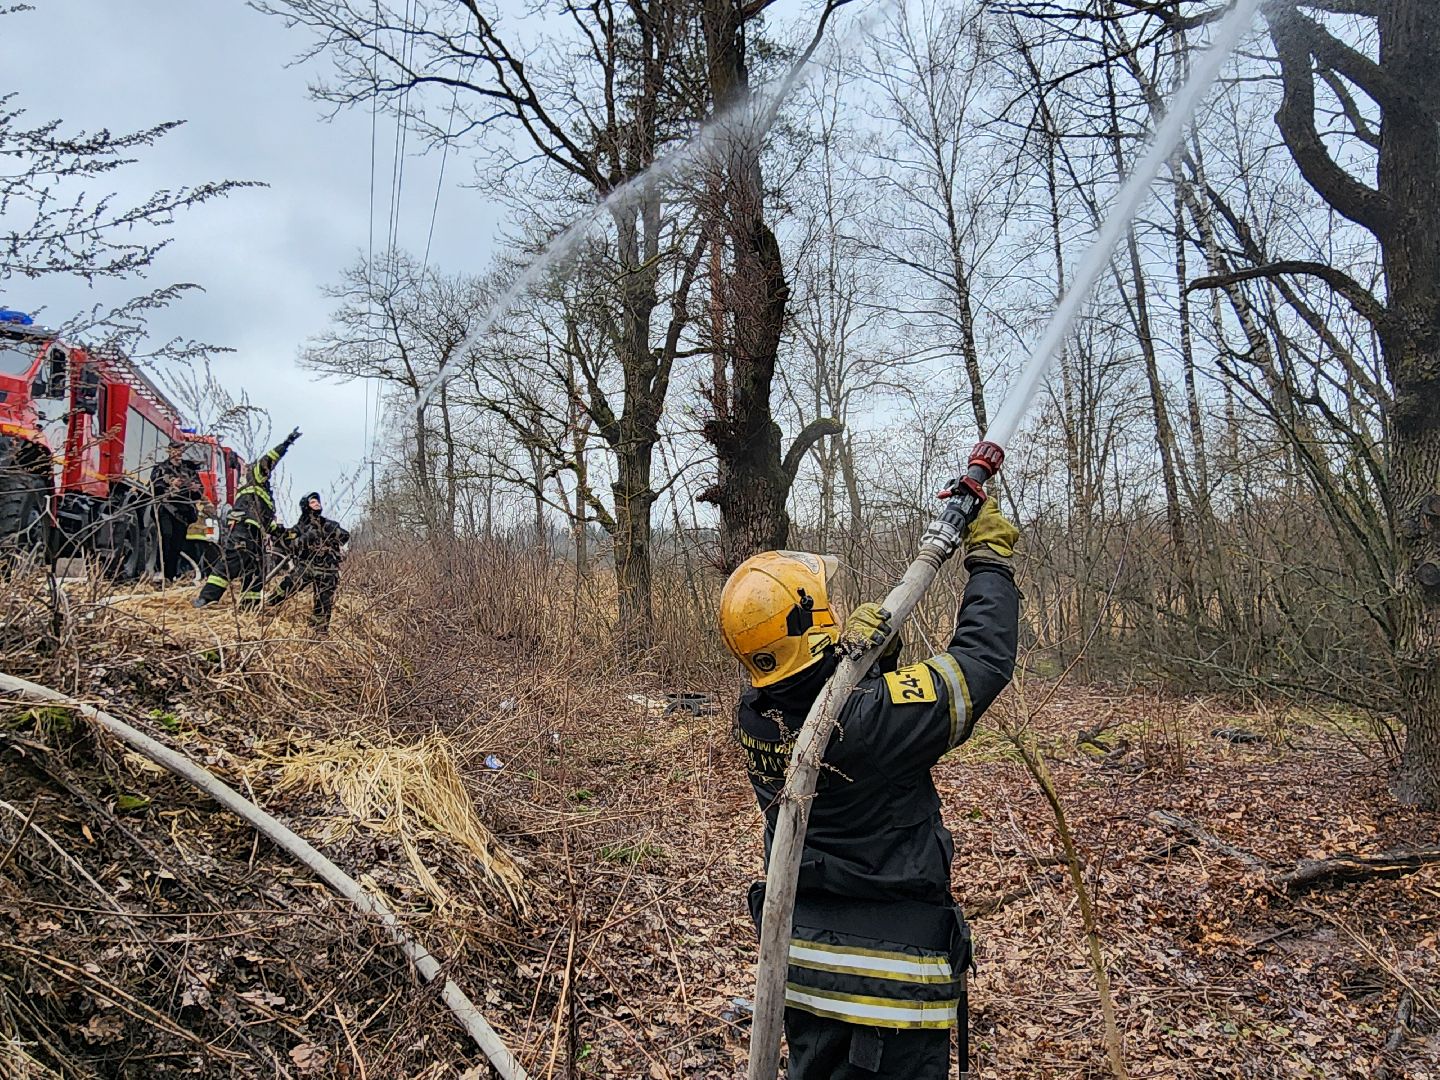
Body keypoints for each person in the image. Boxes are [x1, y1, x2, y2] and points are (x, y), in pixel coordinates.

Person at [719, 498, 1020, 1080]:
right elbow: (981, 663)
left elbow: (824, 716)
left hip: (800, 966)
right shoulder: (871, 719)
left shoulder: (755, 714)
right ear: (809, 630)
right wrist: (991, 566)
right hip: (890, 987)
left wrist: (867, 664)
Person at [193, 428, 301, 609]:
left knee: (256, 568)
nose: (268, 473)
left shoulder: (264, 494)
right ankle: (206, 598)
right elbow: (269, 459)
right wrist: (286, 444)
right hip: (243, 528)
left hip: (256, 532)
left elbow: (268, 524)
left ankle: (249, 605)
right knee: (233, 561)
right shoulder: (255, 476)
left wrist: (287, 534)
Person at [267, 491, 349, 631]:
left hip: (328, 570)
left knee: (323, 603)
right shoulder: (300, 528)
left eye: (318, 501)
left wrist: (334, 531)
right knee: (288, 586)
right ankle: (268, 606)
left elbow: (345, 537)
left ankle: (319, 632)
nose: (317, 503)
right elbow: (289, 544)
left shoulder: (329, 524)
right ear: (306, 506)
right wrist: (306, 537)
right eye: (312, 502)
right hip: (307, 567)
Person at [149, 440, 202, 582]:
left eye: (180, 450)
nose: (178, 453)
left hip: (182, 513)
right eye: (175, 449)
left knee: (176, 545)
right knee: (165, 538)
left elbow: (199, 492)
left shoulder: (189, 471)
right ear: (169, 451)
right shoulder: (161, 468)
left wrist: (194, 489)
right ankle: (160, 572)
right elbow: (154, 487)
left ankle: (170, 576)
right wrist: (170, 486)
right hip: (165, 509)